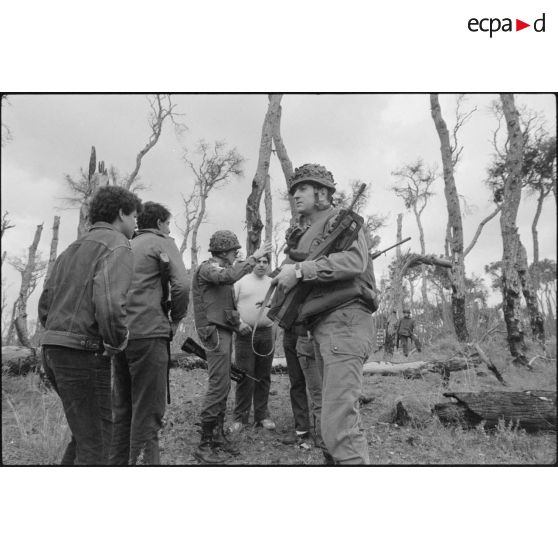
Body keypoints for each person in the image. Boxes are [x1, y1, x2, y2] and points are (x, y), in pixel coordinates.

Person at [271, 163, 378, 465]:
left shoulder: (339, 221)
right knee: (329, 421)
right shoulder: (305, 232)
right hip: (320, 327)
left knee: (339, 426)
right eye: (293, 190)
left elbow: (354, 262)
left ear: (322, 193)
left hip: (345, 322)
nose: (296, 195)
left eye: (302, 188)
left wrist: (301, 271)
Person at [38, 186, 142, 465]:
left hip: (53, 350)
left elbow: (45, 304)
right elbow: (110, 304)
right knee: (98, 446)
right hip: (82, 353)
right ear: (121, 213)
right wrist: (116, 341)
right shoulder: (118, 244)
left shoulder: (72, 248)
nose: (135, 224)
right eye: (134, 216)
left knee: (85, 437)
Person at [109, 202, 189, 465]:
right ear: (158, 223)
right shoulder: (161, 242)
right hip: (149, 334)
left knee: (123, 411)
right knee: (148, 413)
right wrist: (176, 319)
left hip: (120, 336)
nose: (169, 229)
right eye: (168, 224)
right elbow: (181, 284)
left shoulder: (124, 245)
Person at [191, 230, 272, 463]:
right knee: (218, 385)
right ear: (224, 251)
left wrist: (237, 324)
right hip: (214, 334)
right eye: (234, 250)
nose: (236, 253)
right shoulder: (207, 269)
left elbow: (227, 306)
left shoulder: (221, 271)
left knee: (225, 384)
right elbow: (229, 276)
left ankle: (217, 436)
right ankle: (205, 443)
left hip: (223, 332)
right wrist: (254, 257)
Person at [229, 252, 276, 433]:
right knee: (245, 375)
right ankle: (240, 418)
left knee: (263, 375)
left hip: (266, 333)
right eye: (258, 261)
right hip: (245, 334)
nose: (261, 265)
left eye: (265, 262)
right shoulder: (241, 282)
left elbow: (278, 306)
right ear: (252, 263)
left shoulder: (273, 283)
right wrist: (238, 324)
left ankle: (262, 416)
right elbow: (230, 306)